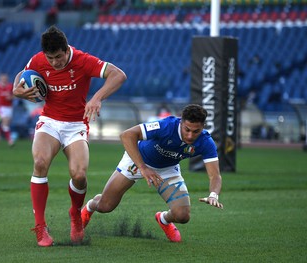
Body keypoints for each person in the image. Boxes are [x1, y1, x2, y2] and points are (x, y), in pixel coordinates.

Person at [12, 25, 127, 247]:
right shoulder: (38, 60)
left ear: (66, 50)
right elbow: (23, 72)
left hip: (76, 125)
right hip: (50, 122)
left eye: (58, 57)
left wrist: (97, 97)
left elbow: (118, 75)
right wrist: (16, 89)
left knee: (80, 175)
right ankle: (40, 227)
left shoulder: (83, 60)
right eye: (50, 58)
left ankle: (75, 214)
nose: (54, 62)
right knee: (40, 163)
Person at [81, 104, 223, 242]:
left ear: (203, 127)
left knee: (182, 216)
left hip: (167, 168)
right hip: (137, 161)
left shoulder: (206, 142)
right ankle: (89, 208)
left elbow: (215, 175)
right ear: (181, 122)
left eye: (196, 131)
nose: (190, 136)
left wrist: (213, 195)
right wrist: (143, 168)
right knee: (105, 207)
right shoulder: (166, 126)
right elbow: (127, 135)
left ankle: (163, 219)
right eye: (187, 129)